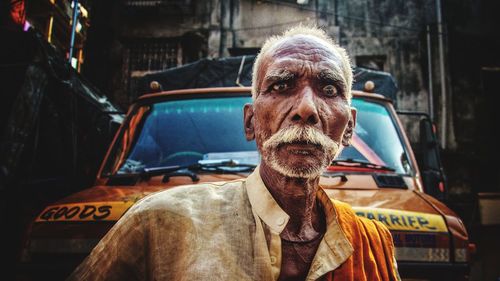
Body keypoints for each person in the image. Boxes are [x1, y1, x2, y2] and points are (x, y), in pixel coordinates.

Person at [68, 26, 400, 281]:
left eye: (328, 89)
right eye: (281, 85)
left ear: (349, 128)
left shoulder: (372, 243)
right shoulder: (159, 222)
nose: (306, 108)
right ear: (250, 122)